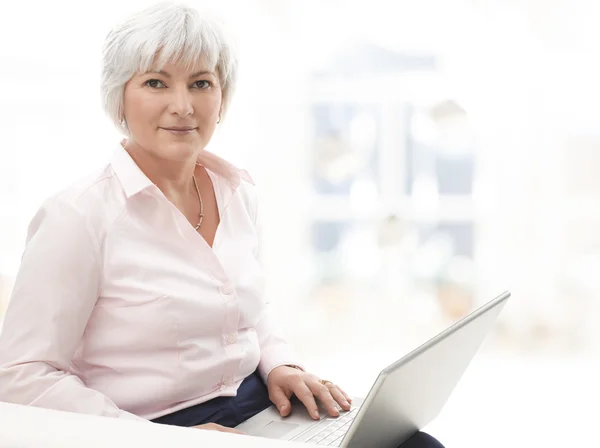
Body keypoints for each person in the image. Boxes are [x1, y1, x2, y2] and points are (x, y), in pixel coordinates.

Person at [0, 2, 443, 447]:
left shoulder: (237, 192)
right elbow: (22, 376)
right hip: (148, 426)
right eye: (156, 82)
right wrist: (163, 440)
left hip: (256, 404)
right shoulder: (77, 216)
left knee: (413, 442)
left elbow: (251, 309)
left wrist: (282, 365)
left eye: (201, 84)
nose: (182, 105)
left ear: (222, 98)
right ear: (119, 96)